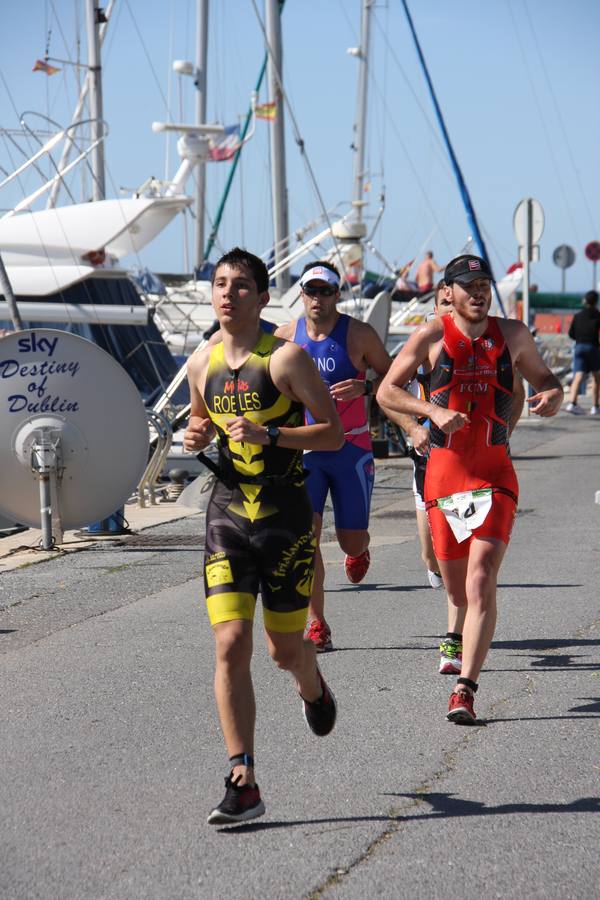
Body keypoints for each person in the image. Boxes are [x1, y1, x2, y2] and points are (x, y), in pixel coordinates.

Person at [183, 248, 344, 824]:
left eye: (242, 285)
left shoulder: (287, 359)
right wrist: (196, 435)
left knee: (283, 652)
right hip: (227, 517)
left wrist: (270, 437)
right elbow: (199, 420)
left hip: (285, 519)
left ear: (263, 296)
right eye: (220, 284)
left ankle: (313, 686)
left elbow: (332, 436)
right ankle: (242, 778)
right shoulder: (200, 362)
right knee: (230, 645)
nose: (229, 293)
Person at [377, 254, 563, 723]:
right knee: (458, 591)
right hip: (444, 478)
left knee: (482, 578)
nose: (478, 292)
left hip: (495, 475)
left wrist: (553, 397)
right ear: (449, 292)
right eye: (468, 285)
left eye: (484, 284)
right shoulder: (432, 336)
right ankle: (454, 636)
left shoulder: (513, 335)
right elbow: (386, 391)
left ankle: (465, 688)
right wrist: (431, 413)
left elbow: (547, 380)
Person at [394, 279, 526, 675]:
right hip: (429, 460)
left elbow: (514, 391)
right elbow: (388, 393)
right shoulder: (426, 344)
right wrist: (414, 428)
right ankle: (452, 599)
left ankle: (455, 644)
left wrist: (505, 430)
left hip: (481, 466)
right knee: (433, 560)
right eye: (442, 305)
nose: (448, 312)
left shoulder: (488, 343)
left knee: (479, 571)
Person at [275, 260, 392, 652]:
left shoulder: (358, 334)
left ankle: (360, 550)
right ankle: (316, 622)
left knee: (349, 541)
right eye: (310, 291)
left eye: (325, 291)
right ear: (302, 294)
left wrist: (365, 388)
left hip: (350, 448)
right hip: (306, 450)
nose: (317, 299)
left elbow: (395, 378)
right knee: (305, 540)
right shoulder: (286, 337)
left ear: (337, 295)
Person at [565, 289, 600, 416]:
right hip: (593, 347)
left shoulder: (578, 315)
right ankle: (595, 406)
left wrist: (580, 339)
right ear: (596, 301)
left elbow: (571, 334)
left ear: (585, 301)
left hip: (579, 347)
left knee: (578, 376)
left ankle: (572, 403)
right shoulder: (598, 315)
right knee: (596, 377)